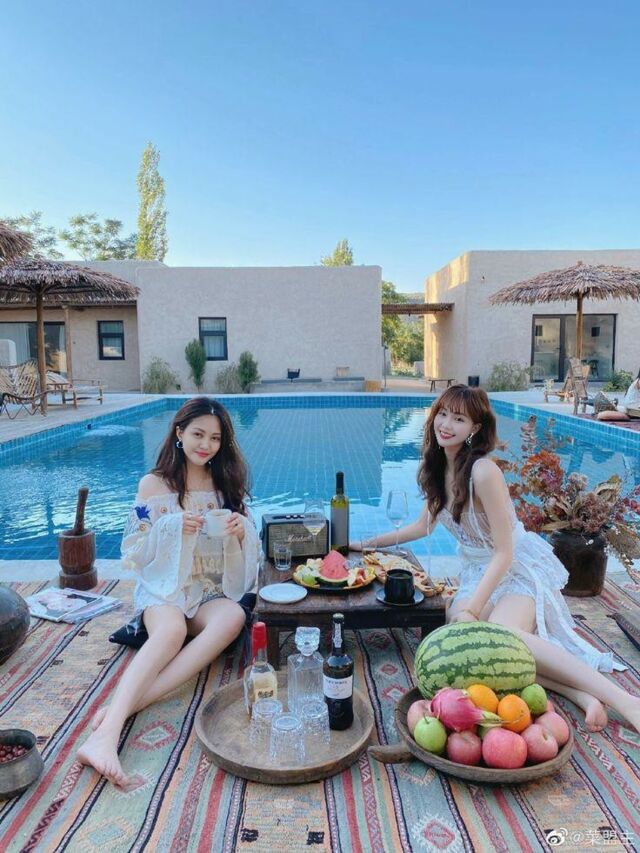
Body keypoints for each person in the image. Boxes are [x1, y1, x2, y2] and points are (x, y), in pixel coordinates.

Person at [351, 384, 640, 735]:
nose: (446, 424)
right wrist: (365, 544)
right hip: (479, 573)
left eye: (459, 419)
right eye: (443, 414)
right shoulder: (436, 467)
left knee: (503, 637)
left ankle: (625, 701)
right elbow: (421, 526)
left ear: (475, 428)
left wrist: (473, 609)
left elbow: (504, 553)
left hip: (516, 569)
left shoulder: (483, 472)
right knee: (475, 651)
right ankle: (579, 692)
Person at [78, 397, 260, 785]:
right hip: (164, 590)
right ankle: (106, 737)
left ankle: (122, 708)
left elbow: (248, 547)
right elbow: (134, 548)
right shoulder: (153, 485)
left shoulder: (225, 485)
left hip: (206, 589)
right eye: (198, 434)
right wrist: (172, 526)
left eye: (215, 438)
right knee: (172, 630)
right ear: (179, 433)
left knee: (233, 617)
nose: (206, 445)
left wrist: (242, 532)